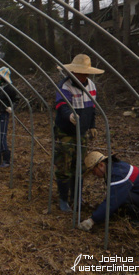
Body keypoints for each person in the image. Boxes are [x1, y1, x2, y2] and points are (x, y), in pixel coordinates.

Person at [54, 54, 104, 212]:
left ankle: (76, 197)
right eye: (81, 73)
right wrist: (69, 115)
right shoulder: (65, 86)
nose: (84, 76)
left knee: (79, 167)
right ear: (74, 72)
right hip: (66, 133)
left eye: (86, 73)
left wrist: (92, 125)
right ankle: (63, 199)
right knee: (64, 166)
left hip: (81, 133)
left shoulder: (91, 87)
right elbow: (61, 104)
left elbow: (92, 108)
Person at [78, 151, 139, 231]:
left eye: (93, 171)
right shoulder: (116, 168)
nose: (94, 174)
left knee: (122, 196)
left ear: (101, 165)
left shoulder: (118, 174)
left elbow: (113, 200)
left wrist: (92, 220)